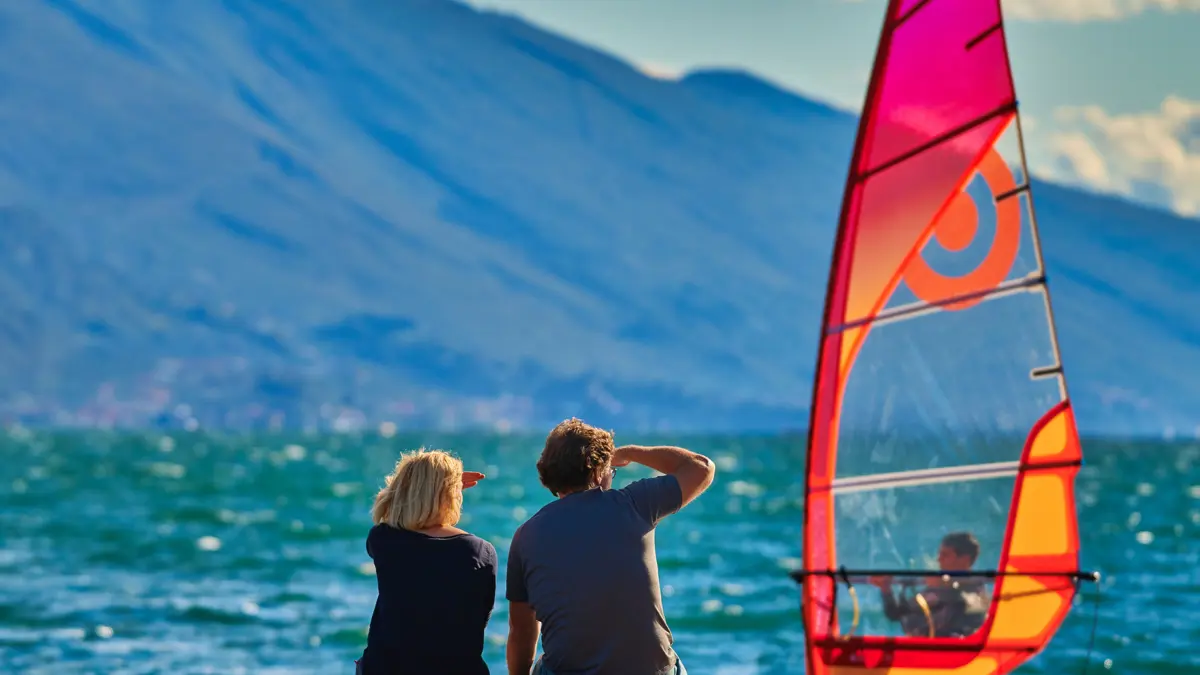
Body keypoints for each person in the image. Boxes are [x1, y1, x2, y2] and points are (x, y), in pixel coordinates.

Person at [505, 418, 717, 675]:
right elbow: (702, 468)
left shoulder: (526, 535)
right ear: (597, 472)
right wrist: (631, 452)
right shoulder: (635, 504)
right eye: (610, 470)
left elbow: (521, 630)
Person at [357, 448, 497, 674]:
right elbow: (479, 617)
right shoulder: (478, 551)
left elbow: (390, 504)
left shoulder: (383, 540)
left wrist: (425, 486)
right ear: (451, 495)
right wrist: (444, 489)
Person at [868, 531, 989, 638]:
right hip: (924, 649)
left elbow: (965, 608)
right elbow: (896, 614)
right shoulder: (938, 588)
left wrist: (945, 586)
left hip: (955, 652)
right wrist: (886, 590)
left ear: (965, 559)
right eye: (940, 554)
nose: (939, 559)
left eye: (946, 555)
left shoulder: (976, 589)